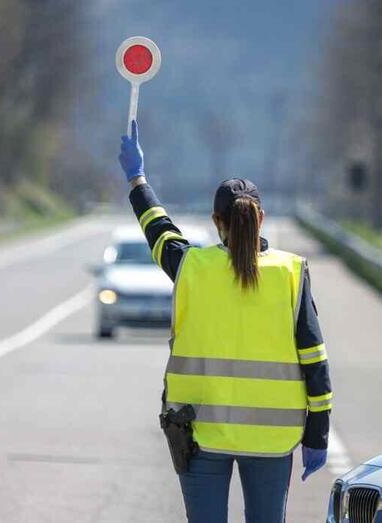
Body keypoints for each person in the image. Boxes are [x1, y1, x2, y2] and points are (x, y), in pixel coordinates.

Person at [118, 121, 332, 523]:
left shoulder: (192, 267)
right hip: (272, 440)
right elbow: (314, 357)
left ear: (216, 221)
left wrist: (137, 178)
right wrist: (318, 433)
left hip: (201, 433)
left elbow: (157, 229)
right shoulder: (290, 271)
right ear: (262, 218)